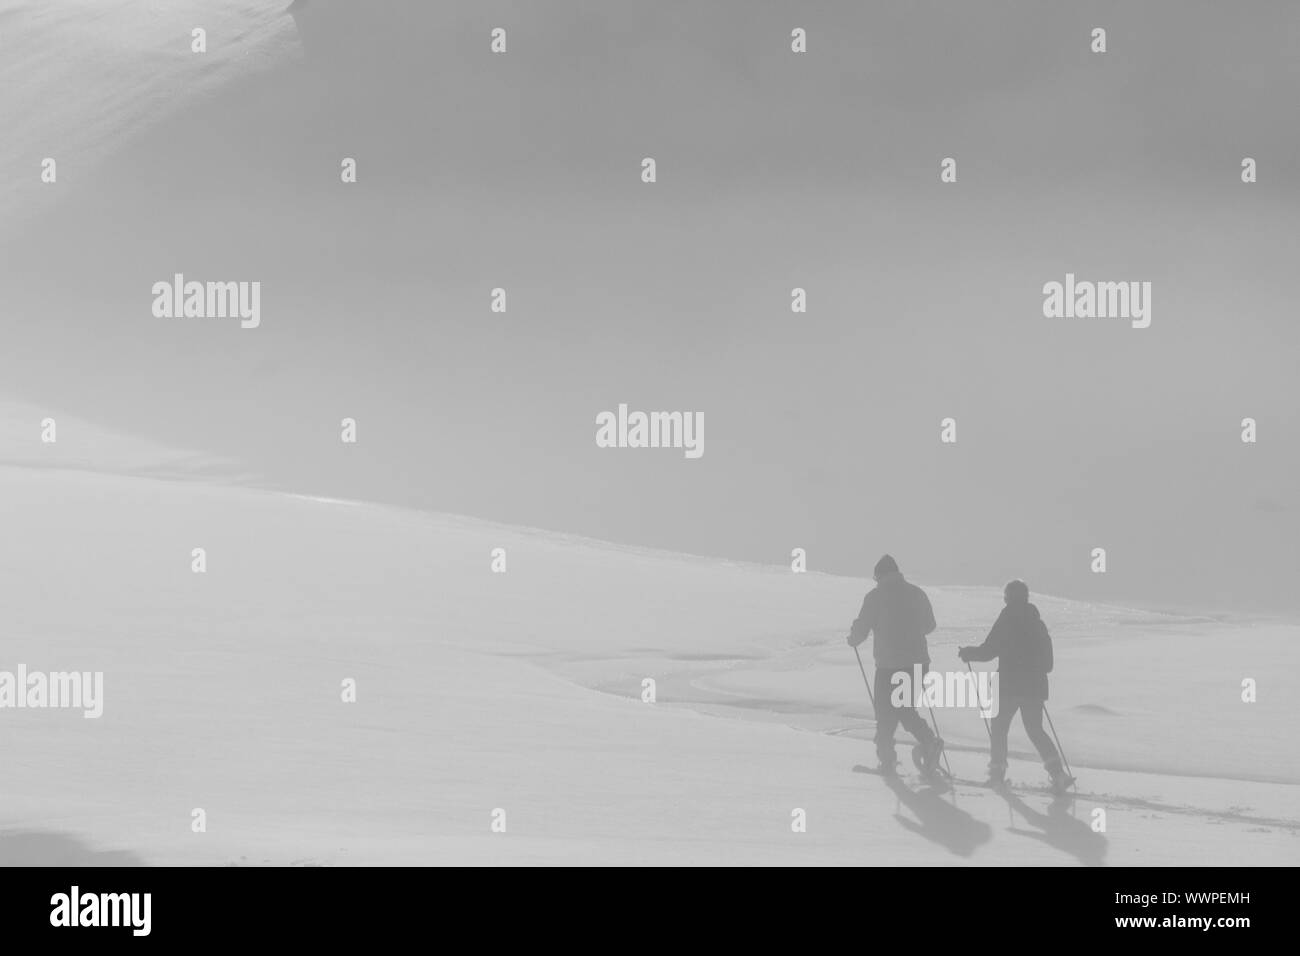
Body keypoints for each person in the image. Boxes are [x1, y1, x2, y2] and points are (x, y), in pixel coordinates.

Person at [958, 580, 1071, 790]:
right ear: (1026, 597)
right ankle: (1058, 774)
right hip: (1034, 687)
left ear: (1008, 598)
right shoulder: (1038, 624)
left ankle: (997, 774)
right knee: (1035, 730)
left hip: (1008, 685)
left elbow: (988, 651)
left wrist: (968, 653)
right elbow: (1048, 664)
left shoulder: (1006, 620)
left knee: (1000, 728)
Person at [847, 554, 944, 775]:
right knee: (904, 708)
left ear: (878, 576)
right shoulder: (916, 593)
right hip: (918, 663)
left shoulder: (875, 596)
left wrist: (853, 639)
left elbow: (862, 628)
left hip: (889, 665)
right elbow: (930, 625)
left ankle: (889, 760)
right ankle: (928, 743)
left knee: (885, 712)